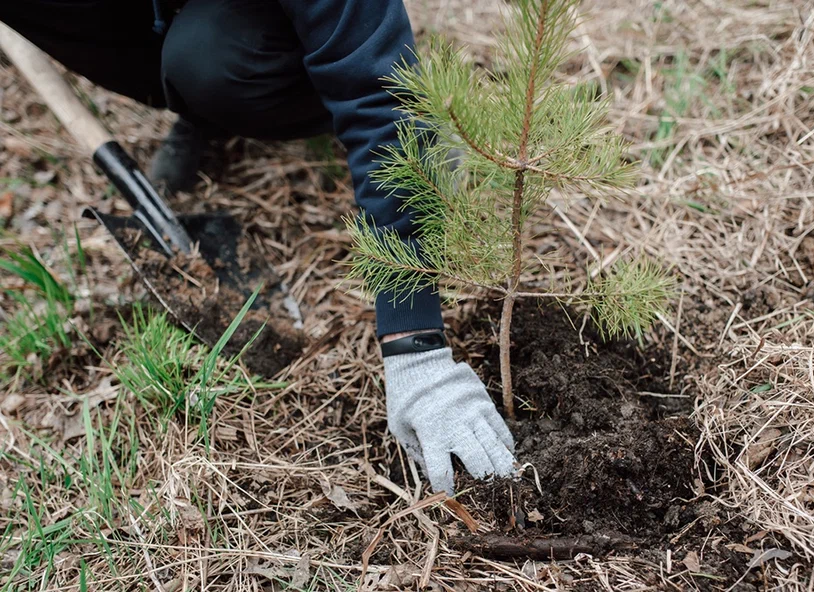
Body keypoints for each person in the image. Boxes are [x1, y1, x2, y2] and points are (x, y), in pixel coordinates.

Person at [0, 0, 516, 494]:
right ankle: (199, 98)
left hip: (291, 30)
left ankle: (274, 83)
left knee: (211, 62)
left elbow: (378, 94)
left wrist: (414, 342)